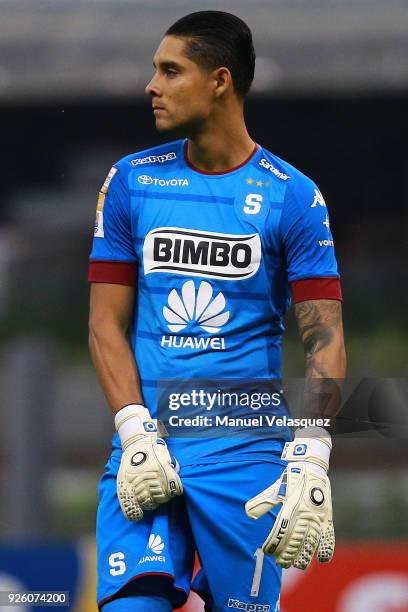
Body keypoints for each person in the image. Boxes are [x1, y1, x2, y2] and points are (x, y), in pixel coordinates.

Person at [88, 10, 346, 612]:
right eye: (155, 70)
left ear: (220, 81)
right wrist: (133, 432)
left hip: (246, 459)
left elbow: (325, 338)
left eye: (170, 71)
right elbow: (104, 324)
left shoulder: (294, 195)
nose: (152, 85)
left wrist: (311, 453)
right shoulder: (129, 181)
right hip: (145, 450)